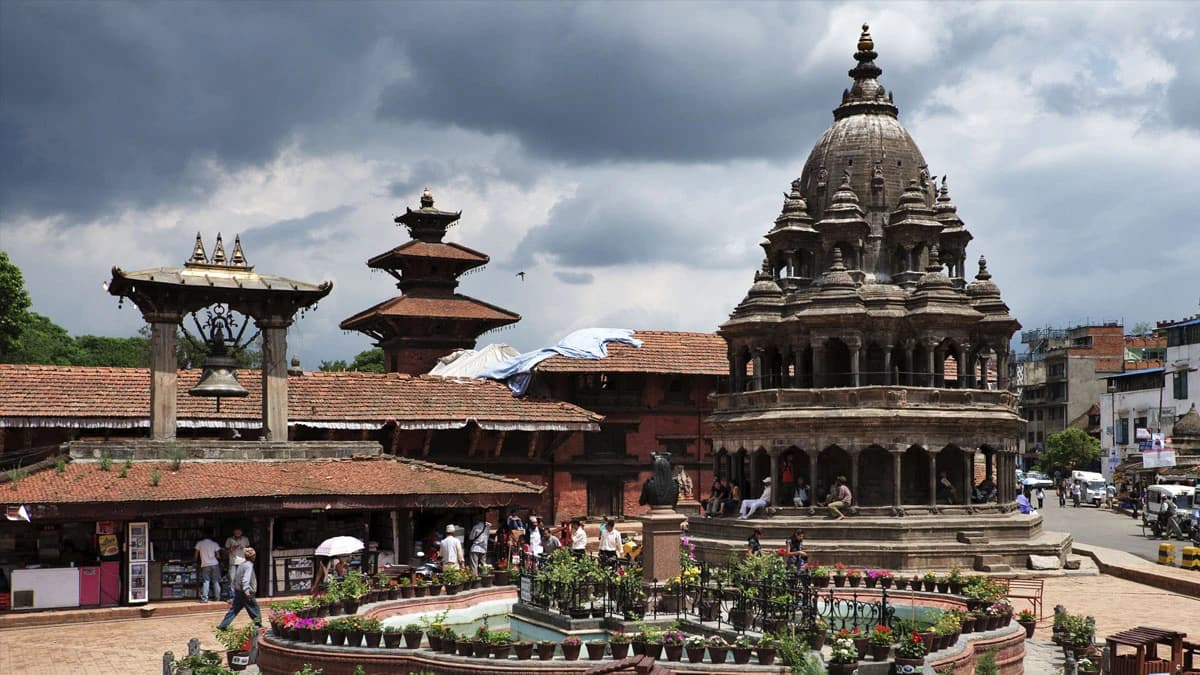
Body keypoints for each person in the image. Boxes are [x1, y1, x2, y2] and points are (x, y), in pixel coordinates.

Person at [217, 547, 260, 630]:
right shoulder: (249, 566)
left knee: (234, 609)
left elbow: (236, 577)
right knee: (254, 608)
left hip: (238, 590)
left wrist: (235, 587)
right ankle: (259, 625)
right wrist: (247, 590)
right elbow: (245, 579)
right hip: (246, 591)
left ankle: (223, 625)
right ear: (253, 557)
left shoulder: (242, 564)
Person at [194, 536, 222, 603]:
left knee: (206, 581)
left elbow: (196, 555)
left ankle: (205, 598)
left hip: (205, 564)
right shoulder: (215, 543)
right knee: (216, 581)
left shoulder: (199, 543)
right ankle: (217, 598)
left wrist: (195, 561)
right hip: (214, 564)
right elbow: (218, 556)